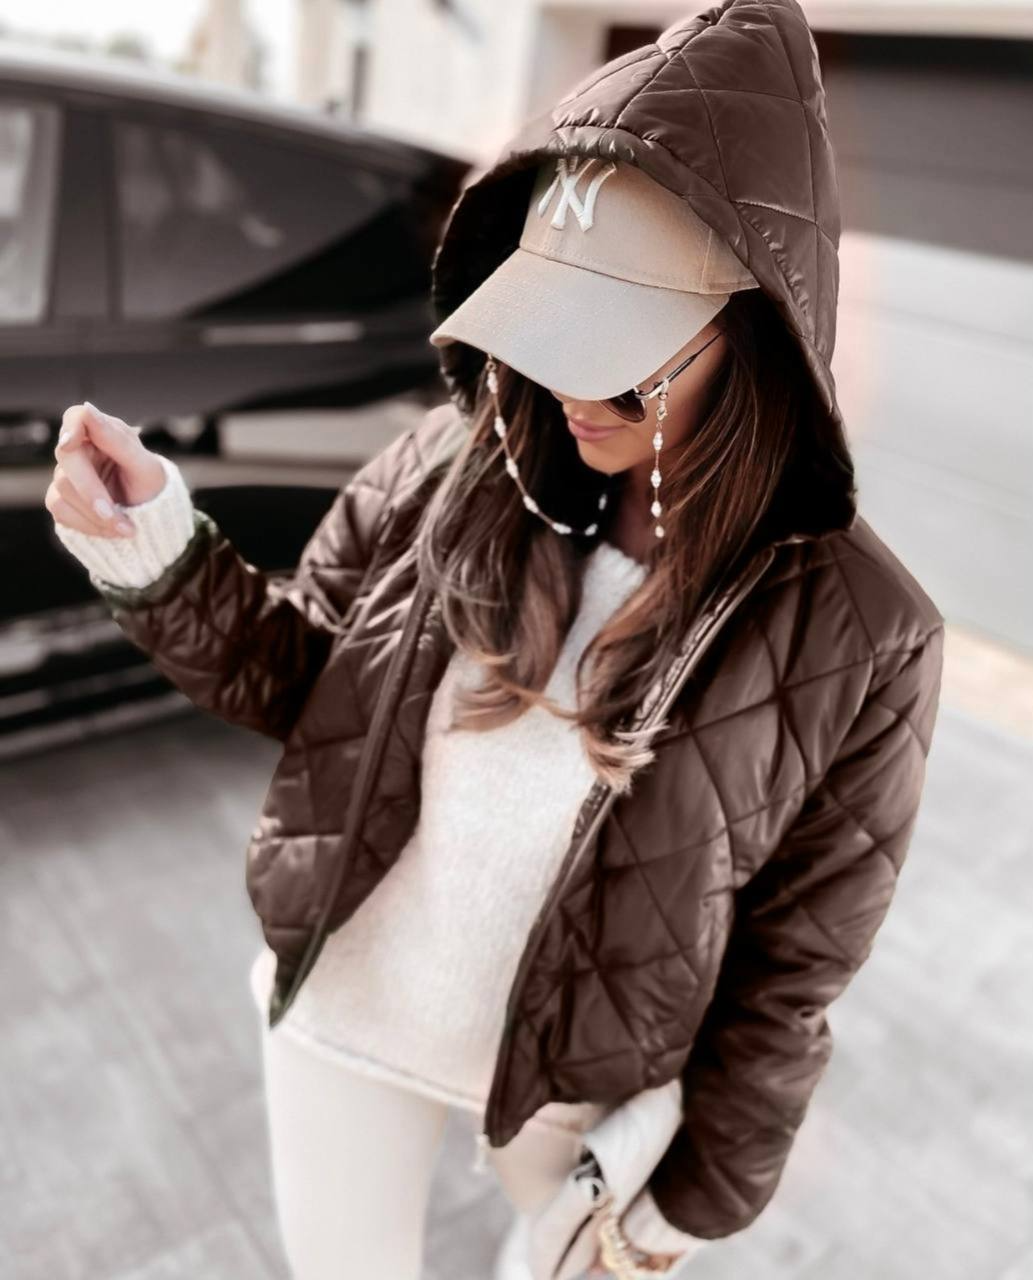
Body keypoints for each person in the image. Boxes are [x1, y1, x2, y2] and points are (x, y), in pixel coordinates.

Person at [46, 1, 946, 1277]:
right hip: (348, 1017)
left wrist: (686, 1204)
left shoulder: (866, 636)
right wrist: (157, 547)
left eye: (618, 357)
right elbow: (302, 680)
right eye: (546, 330)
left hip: (579, 1095)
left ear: (755, 335)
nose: (571, 388)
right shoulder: (446, 465)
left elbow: (790, 971)